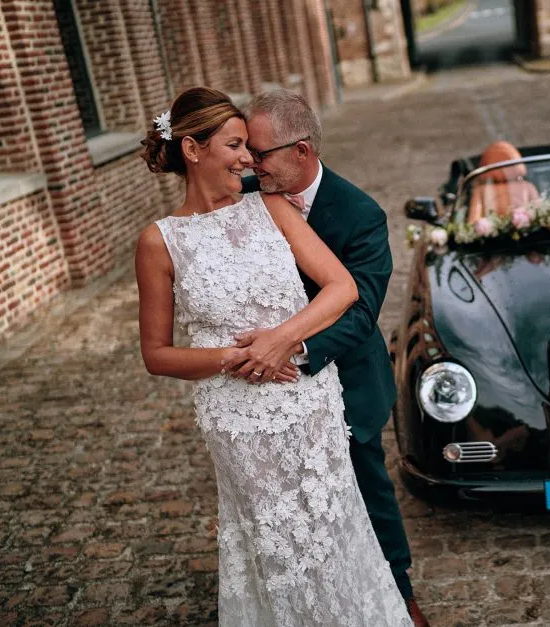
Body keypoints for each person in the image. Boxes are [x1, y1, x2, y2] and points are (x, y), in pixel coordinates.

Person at [136, 86, 412, 626]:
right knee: (274, 541)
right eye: (236, 146)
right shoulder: (159, 242)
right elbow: (157, 354)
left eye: (252, 149)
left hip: (310, 401)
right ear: (192, 150)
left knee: (339, 524)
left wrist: (283, 339)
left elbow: (344, 289)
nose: (247, 160)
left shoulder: (271, 206)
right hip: (237, 419)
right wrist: (232, 359)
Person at [220, 88, 429, 627]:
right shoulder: (244, 197)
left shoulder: (361, 214)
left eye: (260, 153)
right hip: (269, 387)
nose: (250, 162)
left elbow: (360, 315)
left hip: (348, 378)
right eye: (246, 151)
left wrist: (295, 347)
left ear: (303, 151)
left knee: (366, 485)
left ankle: (399, 591)